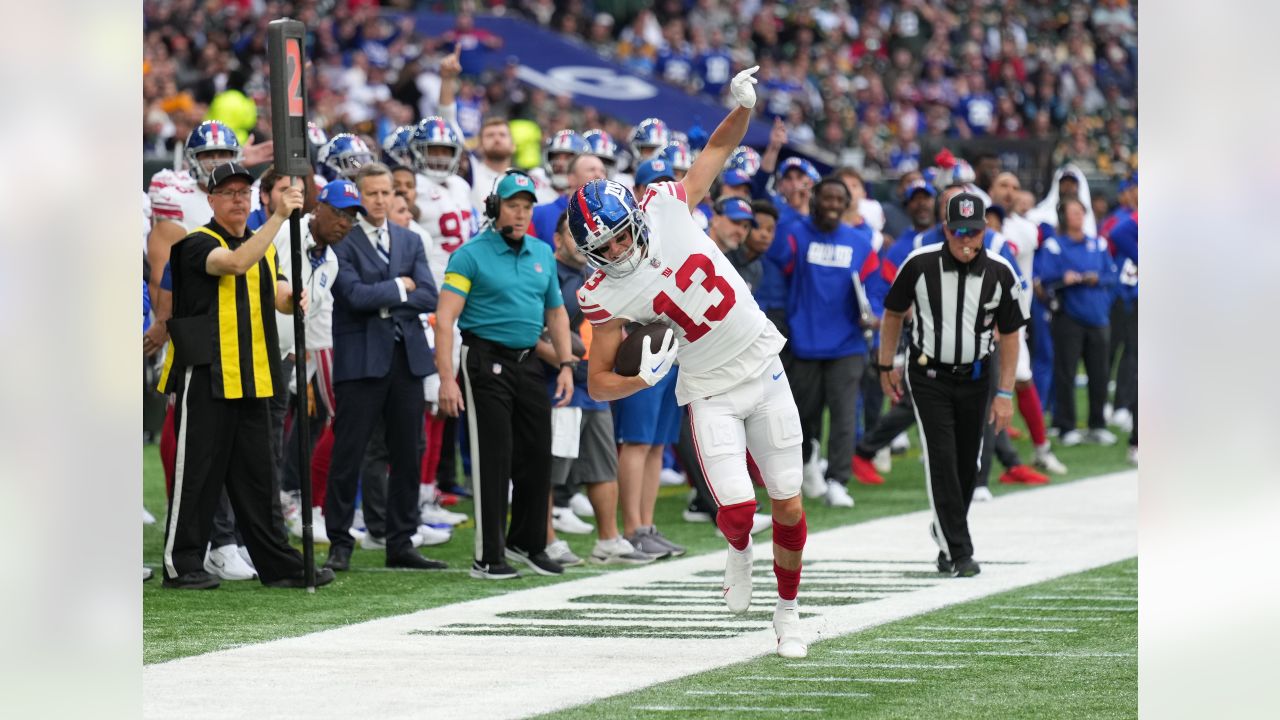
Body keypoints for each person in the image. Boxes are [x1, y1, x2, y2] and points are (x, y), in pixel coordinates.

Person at [570, 66, 811, 659]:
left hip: (762, 363)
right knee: (735, 509)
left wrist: (743, 109)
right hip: (708, 387)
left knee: (790, 503)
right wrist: (640, 377)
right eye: (607, 247)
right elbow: (597, 383)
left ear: (634, 217)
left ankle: (788, 613)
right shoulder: (603, 294)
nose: (621, 250)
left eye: (623, 236)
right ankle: (736, 552)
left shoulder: (666, 207)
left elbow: (719, 148)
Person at [157, 162, 332, 589]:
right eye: (228, 192)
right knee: (197, 475)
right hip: (208, 373)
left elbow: (277, 293)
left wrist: (296, 299)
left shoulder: (265, 246)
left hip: (256, 373)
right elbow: (235, 264)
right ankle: (183, 564)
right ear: (211, 199)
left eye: (243, 192)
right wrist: (278, 217)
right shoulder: (196, 244)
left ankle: (279, 564)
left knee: (260, 478)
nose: (238, 199)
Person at [435, 169, 577, 580]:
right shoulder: (469, 254)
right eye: (513, 205)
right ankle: (488, 555)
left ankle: (528, 542)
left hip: (529, 361)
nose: (520, 213)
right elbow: (445, 319)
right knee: (492, 458)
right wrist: (447, 377)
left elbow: (555, 313)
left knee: (537, 456)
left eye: (527, 206)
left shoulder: (541, 253)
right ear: (496, 207)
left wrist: (565, 363)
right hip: (483, 359)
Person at [877, 191, 1026, 579]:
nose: (966, 240)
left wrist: (1006, 393)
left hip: (978, 376)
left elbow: (1010, 334)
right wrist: (885, 362)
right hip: (928, 375)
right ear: (945, 229)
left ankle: (945, 533)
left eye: (973, 232)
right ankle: (961, 553)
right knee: (941, 459)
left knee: (968, 464)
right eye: (958, 231)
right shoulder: (919, 264)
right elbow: (893, 312)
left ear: (985, 231)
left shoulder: (1000, 271)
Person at [321, 162, 446, 574]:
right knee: (349, 453)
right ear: (359, 196)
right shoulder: (342, 239)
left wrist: (387, 299)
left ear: (396, 195)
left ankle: (401, 540)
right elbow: (352, 295)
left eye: (384, 193)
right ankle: (339, 540)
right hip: (360, 362)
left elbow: (429, 294)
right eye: (371, 193)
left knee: (409, 453)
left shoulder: (410, 240)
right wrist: (398, 288)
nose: (378, 200)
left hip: (406, 359)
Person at [540, 210, 654, 566]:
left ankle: (609, 539)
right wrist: (564, 362)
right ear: (558, 239)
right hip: (562, 385)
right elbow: (534, 329)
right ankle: (545, 540)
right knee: (551, 468)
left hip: (595, 384)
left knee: (603, 465)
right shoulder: (547, 275)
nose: (581, 242)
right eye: (573, 235)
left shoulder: (600, 275)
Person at [768, 176, 881, 507]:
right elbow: (775, 258)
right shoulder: (796, 233)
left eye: (838, 200)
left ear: (846, 205)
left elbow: (874, 286)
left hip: (848, 342)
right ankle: (806, 462)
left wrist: (872, 310)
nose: (832, 205)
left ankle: (837, 480)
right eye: (826, 199)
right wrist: (793, 209)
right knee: (804, 414)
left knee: (845, 414)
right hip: (804, 341)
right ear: (815, 200)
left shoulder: (860, 243)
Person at [274, 179, 369, 547]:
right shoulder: (287, 233)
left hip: (295, 351)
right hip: (263, 350)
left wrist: (302, 351)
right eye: (339, 214)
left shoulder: (330, 258)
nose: (344, 223)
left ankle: (287, 502)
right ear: (320, 208)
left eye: (351, 218)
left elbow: (309, 310)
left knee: (298, 427)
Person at [1035, 197, 1120, 447]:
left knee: (1100, 373)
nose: (1078, 217)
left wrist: (1098, 281)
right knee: (1066, 373)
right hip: (1069, 317)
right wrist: (1065, 277)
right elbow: (1044, 276)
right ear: (1063, 217)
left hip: (1098, 316)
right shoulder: (1054, 246)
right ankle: (1065, 425)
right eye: (1073, 213)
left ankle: (1097, 425)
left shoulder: (1098, 243)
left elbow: (1112, 275)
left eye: (1081, 212)